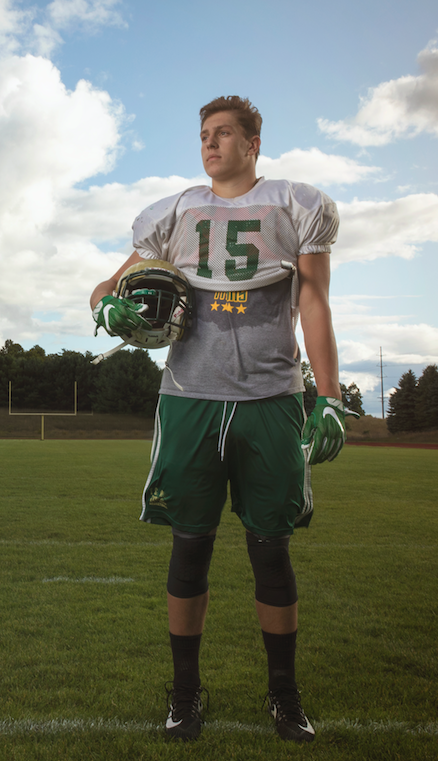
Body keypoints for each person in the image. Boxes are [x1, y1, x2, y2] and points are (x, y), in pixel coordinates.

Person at [89, 95, 356, 743]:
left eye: (223, 133)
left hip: (269, 397)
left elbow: (314, 299)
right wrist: (109, 312)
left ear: (253, 142)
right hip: (190, 397)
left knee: (271, 550)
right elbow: (105, 290)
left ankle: (284, 697)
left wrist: (326, 394)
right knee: (190, 546)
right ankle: (183, 694)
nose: (210, 144)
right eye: (203, 134)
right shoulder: (174, 211)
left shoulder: (296, 204)